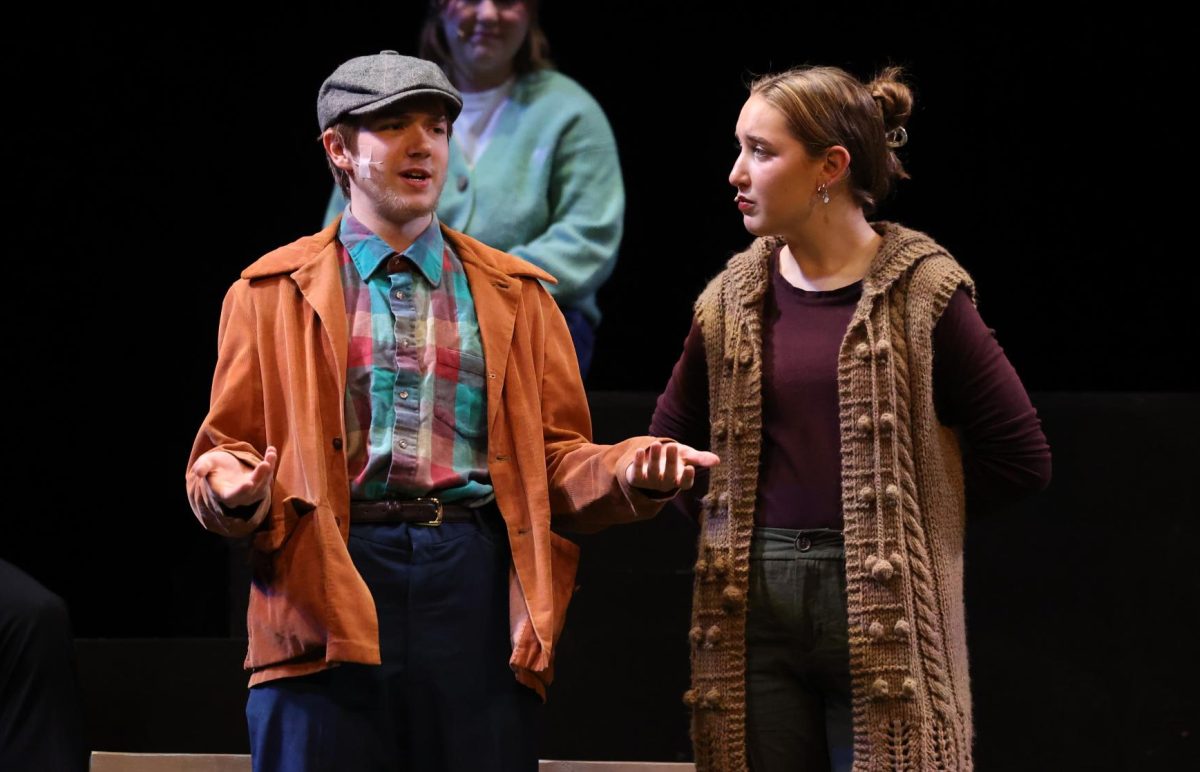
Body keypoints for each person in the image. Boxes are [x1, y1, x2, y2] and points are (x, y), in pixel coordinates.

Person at [186, 51, 715, 772]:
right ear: (338, 149)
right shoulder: (267, 293)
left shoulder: (515, 294)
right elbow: (227, 450)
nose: (422, 144)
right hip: (326, 572)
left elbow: (555, 462)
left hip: (469, 577)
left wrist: (630, 470)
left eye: (436, 127)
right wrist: (230, 487)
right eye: (393, 125)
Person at [649, 65, 1052, 772]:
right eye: (739, 148)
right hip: (752, 609)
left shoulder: (922, 291)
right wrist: (718, 513)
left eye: (761, 151)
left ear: (829, 167)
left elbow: (1020, 457)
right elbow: (673, 440)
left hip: (879, 599)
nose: (736, 173)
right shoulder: (730, 297)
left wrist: (906, 523)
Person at [324, 0, 623, 377]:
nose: (487, 14)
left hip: (530, 317)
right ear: (441, 9)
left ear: (530, 13)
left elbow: (588, 236)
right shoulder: (384, 100)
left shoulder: (570, 111)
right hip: (387, 302)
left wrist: (474, 285)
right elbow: (346, 221)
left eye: (506, 2)